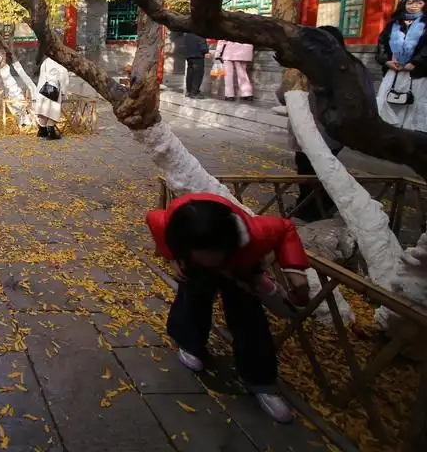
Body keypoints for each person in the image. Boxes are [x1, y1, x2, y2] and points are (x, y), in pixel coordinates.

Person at [146, 193, 310, 424]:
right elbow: (154, 218)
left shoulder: (255, 235)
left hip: (240, 265)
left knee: (248, 317)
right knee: (194, 295)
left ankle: (262, 382)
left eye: (213, 253)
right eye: (205, 254)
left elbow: (286, 228)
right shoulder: (179, 229)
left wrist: (295, 271)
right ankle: (189, 343)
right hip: (191, 260)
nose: (211, 259)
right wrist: (172, 257)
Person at [275, 26, 375, 221]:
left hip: (309, 130)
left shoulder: (305, 67)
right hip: (336, 132)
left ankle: (311, 212)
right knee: (324, 170)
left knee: (308, 173)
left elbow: (283, 95)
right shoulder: (355, 66)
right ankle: (318, 207)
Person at [375, 0, 427, 132]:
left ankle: (409, 134)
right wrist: (386, 61)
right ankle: (389, 131)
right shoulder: (394, 24)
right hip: (394, 69)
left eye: (419, 3)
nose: (414, 6)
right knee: (386, 100)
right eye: (410, 2)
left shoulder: (425, 23)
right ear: (404, 5)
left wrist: (415, 62)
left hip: (416, 72)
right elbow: (382, 44)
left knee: (413, 104)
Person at [32, 50, 70, 140]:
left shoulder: (46, 61)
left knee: (43, 110)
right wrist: (63, 92)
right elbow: (63, 78)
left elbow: (42, 75)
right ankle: (51, 132)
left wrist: (38, 89)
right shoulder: (60, 63)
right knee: (53, 110)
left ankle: (42, 130)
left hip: (43, 88)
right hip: (54, 89)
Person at [181, 32, 210, 99]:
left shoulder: (187, 34)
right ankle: (194, 92)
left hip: (189, 56)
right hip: (198, 56)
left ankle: (189, 91)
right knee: (197, 75)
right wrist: (206, 51)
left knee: (190, 74)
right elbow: (203, 47)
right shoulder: (199, 33)